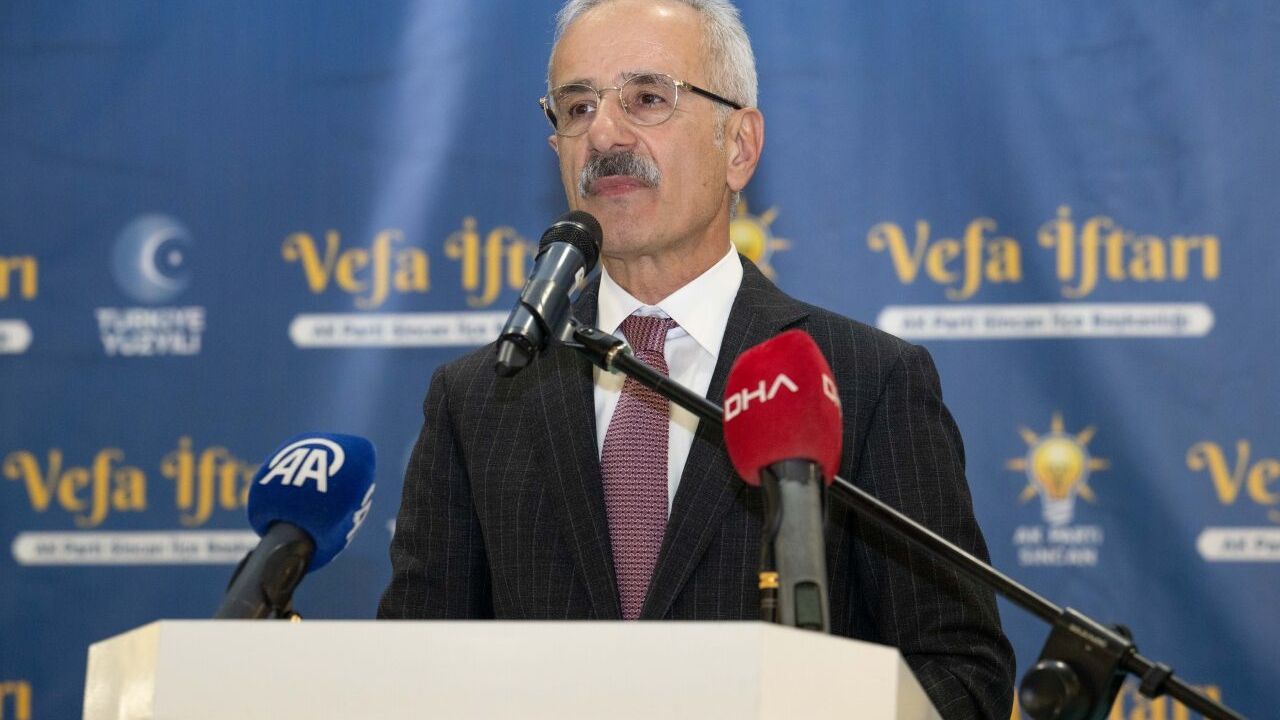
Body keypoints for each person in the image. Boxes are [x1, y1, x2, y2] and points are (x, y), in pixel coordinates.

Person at [379, 1, 1016, 717]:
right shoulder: (480, 397)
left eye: (648, 98)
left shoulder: (864, 381)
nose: (604, 133)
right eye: (578, 107)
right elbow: (412, 674)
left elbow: (963, 676)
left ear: (739, 146)